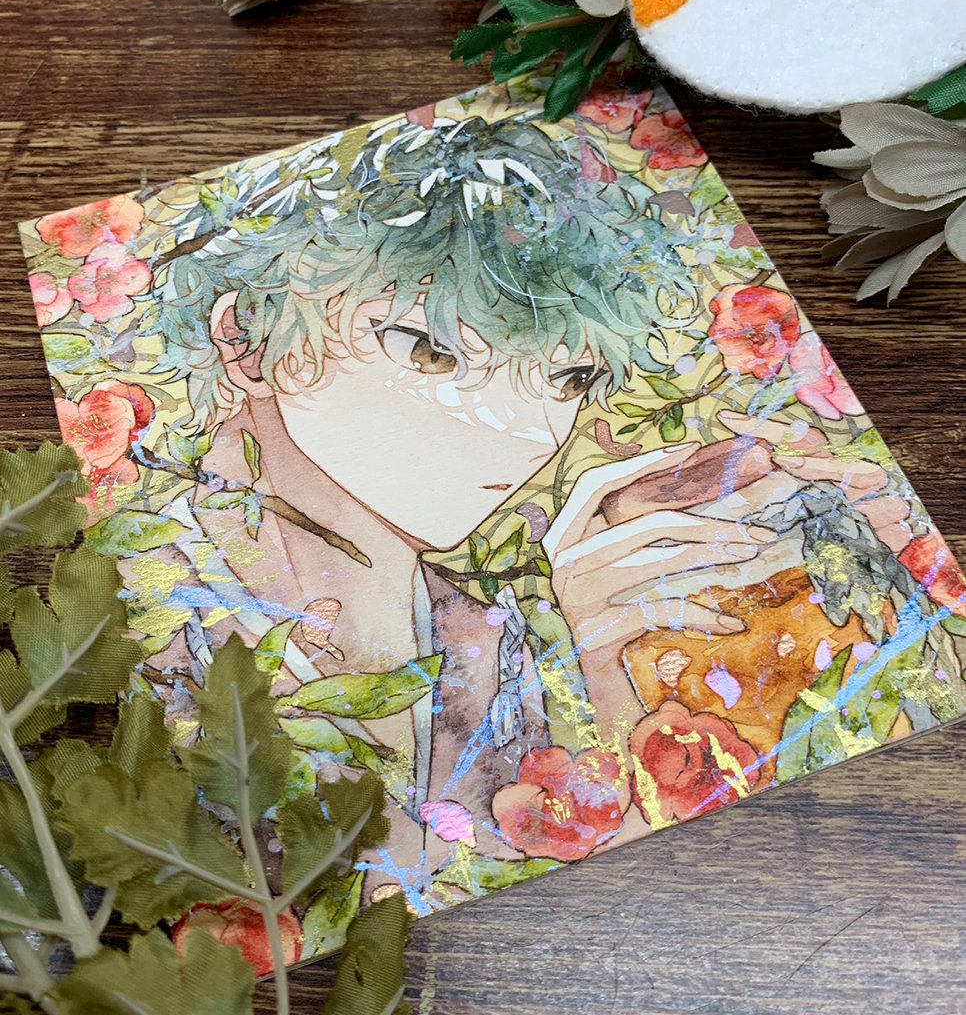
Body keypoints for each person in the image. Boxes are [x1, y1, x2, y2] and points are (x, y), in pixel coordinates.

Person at [141, 100, 941, 909]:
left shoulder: (485, 634)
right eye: (430, 350)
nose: (523, 430)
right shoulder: (149, 604)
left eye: (570, 379)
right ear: (248, 339)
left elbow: (545, 879)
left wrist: (600, 662)